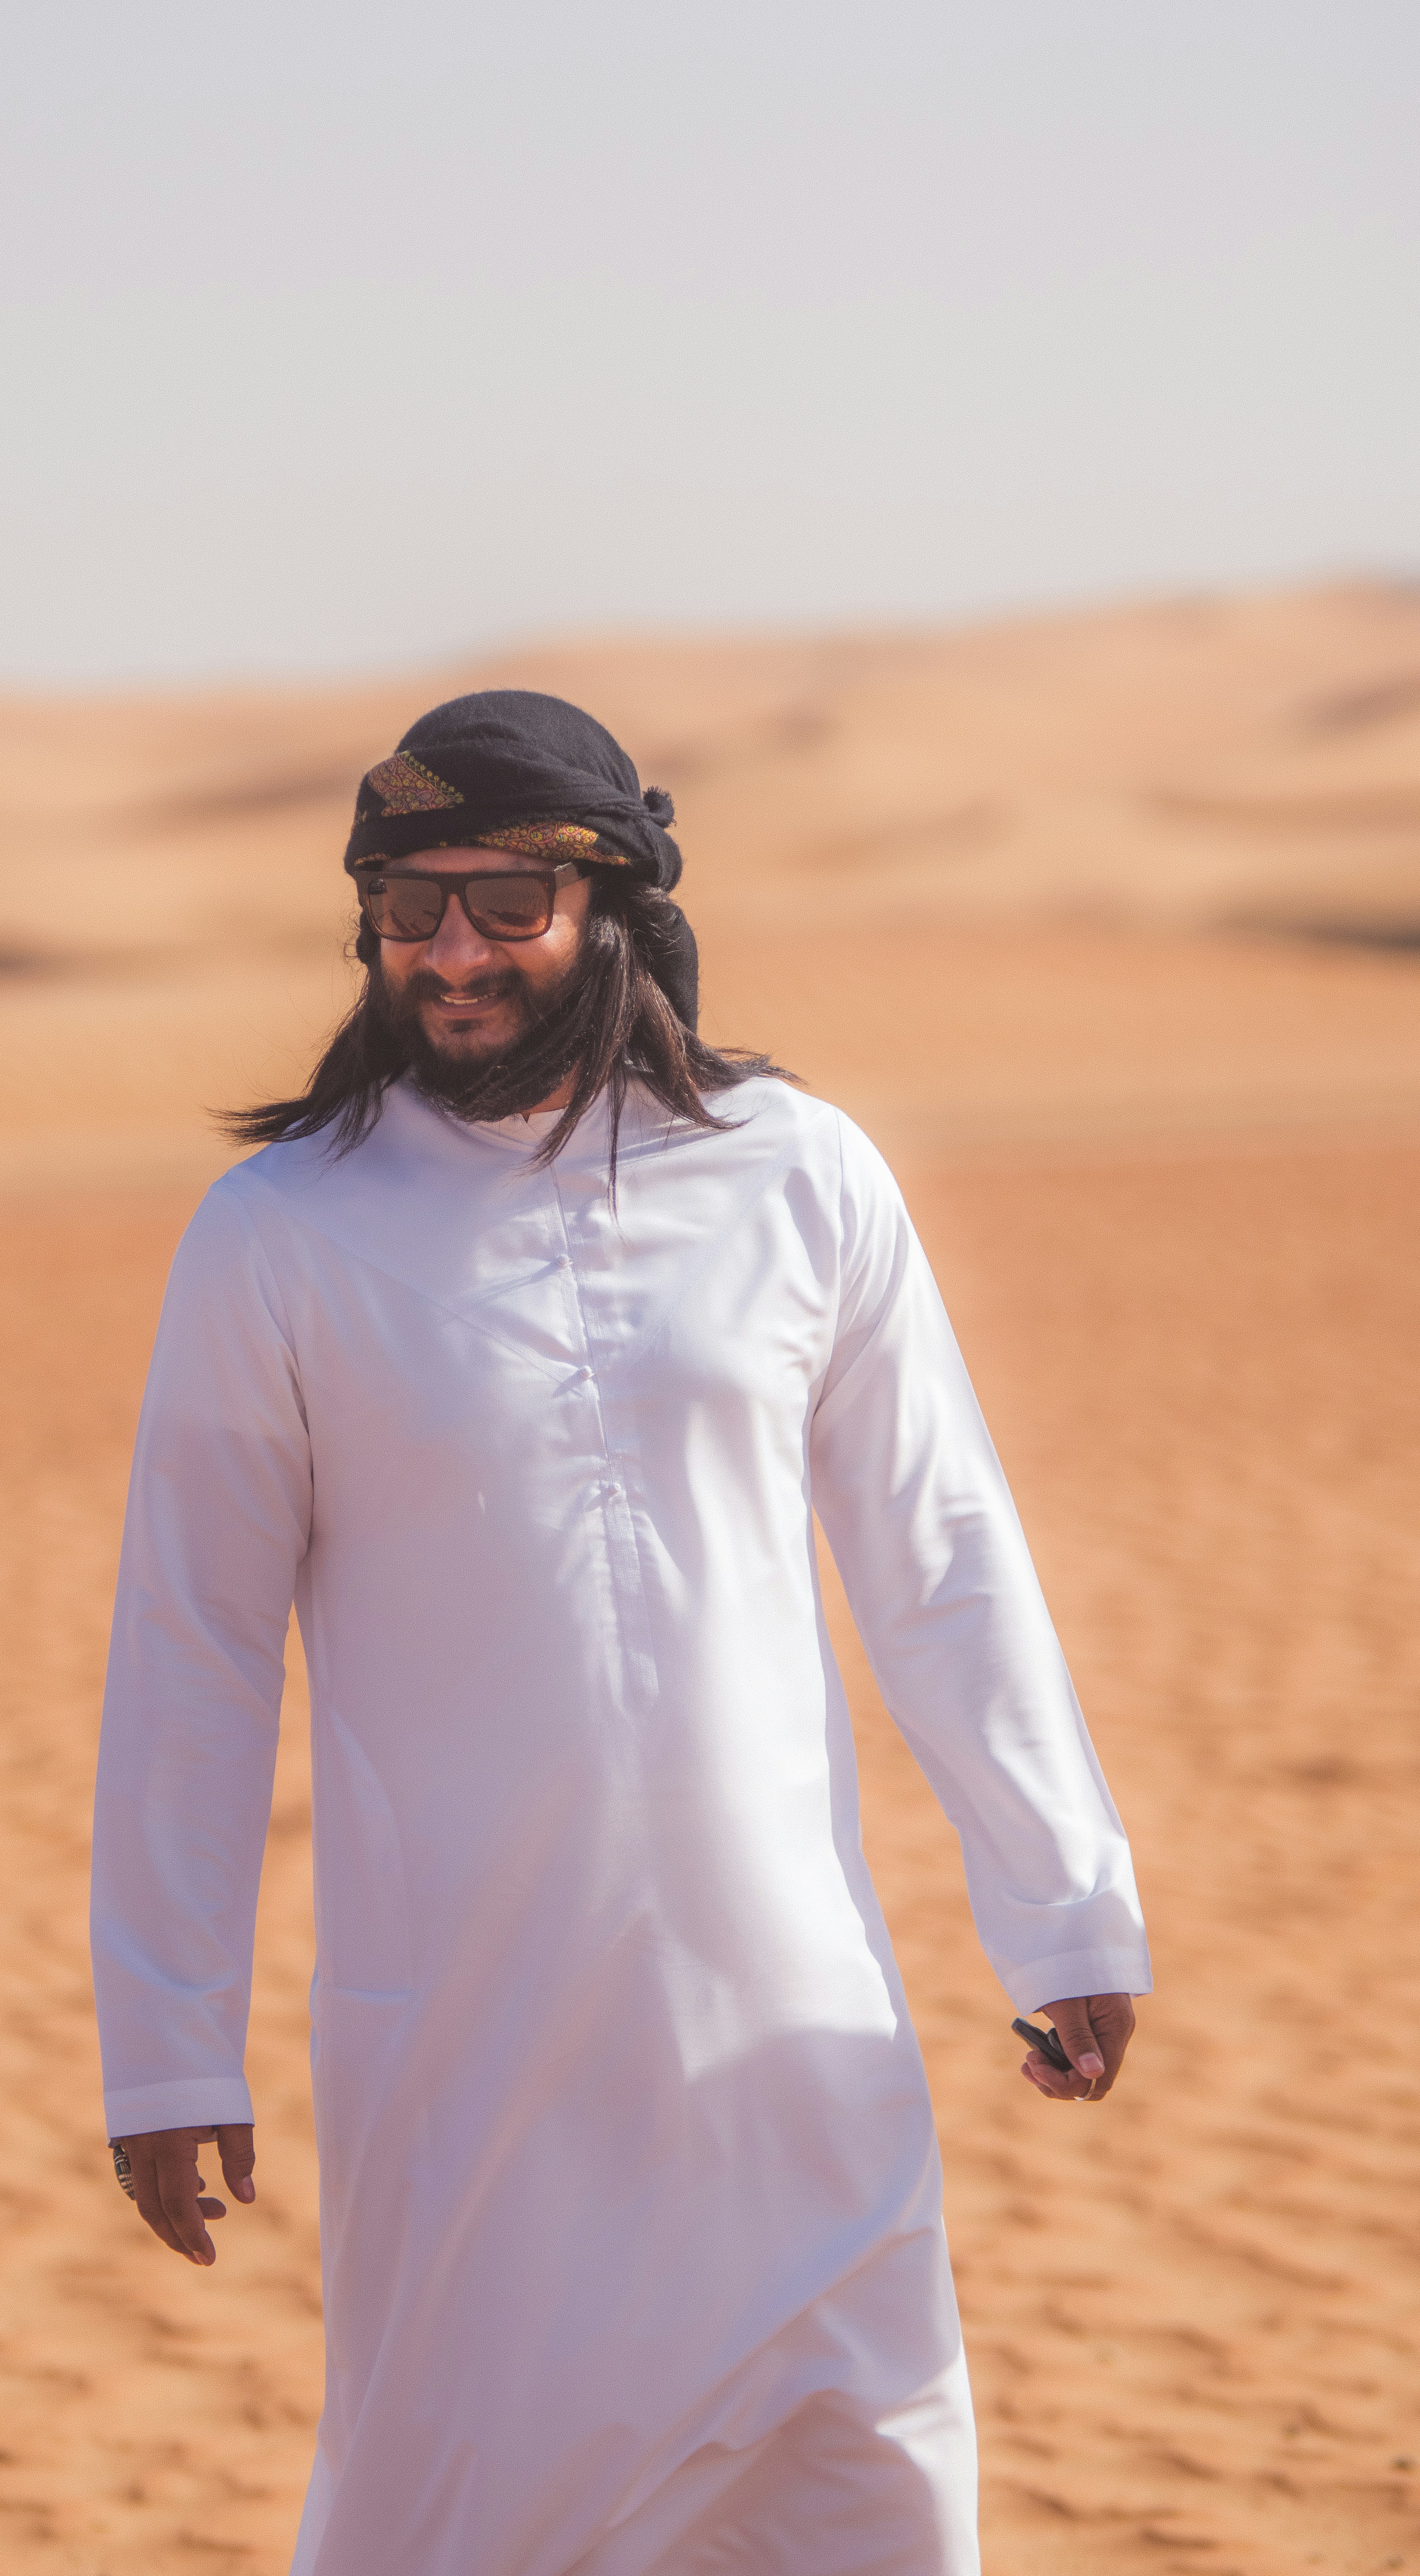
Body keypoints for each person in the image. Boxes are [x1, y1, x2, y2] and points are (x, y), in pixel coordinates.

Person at [90, 690, 1150, 2576]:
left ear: (614, 906)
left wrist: (1060, 1901)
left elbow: (942, 1550)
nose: (451, 952)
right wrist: (169, 2048)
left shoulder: (798, 1174)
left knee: (866, 2499)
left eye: (503, 900)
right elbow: (194, 1653)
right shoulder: (278, 1235)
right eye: (405, 908)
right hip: (469, 2054)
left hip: (789, 2027)